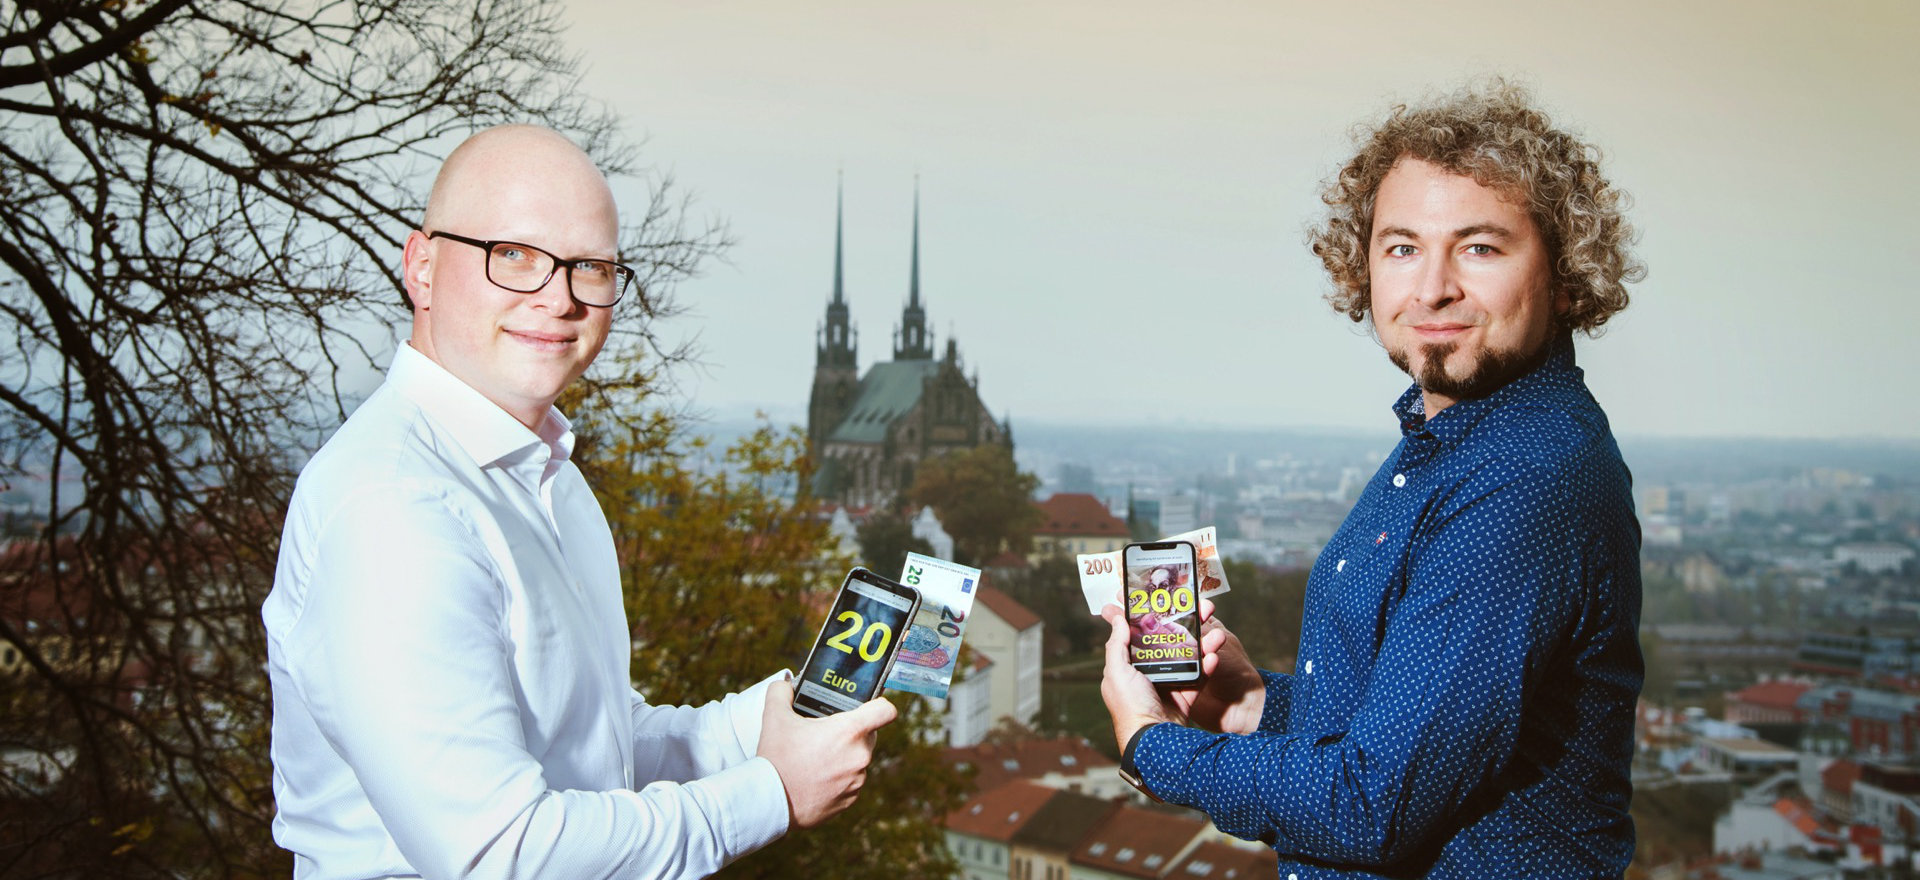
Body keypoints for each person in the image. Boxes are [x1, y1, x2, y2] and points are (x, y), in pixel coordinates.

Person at [262, 125, 897, 880]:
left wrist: (764, 722)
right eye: (516, 256)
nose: (558, 298)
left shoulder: (548, 479)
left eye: (588, 267)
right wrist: (771, 794)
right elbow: (500, 853)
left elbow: (600, 748)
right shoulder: (393, 508)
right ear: (422, 267)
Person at [1099, 80, 1646, 878]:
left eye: (1481, 247)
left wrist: (1153, 748)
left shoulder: (1526, 477)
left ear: (1564, 275)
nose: (1432, 288)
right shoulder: (1451, 437)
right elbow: (1415, 728)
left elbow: (1370, 806)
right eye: (1402, 247)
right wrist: (1256, 707)